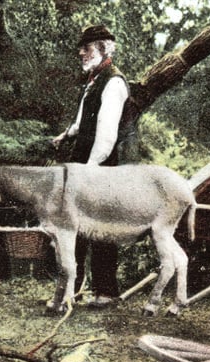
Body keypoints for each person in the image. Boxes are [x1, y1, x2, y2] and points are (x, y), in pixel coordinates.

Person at [52, 24, 131, 306]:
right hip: (83, 163)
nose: (81, 53)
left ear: (102, 48)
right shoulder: (94, 79)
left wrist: (91, 168)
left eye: (86, 48)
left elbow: (107, 134)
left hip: (100, 166)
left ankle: (106, 292)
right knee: (76, 226)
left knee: (100, 229)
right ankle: (73, 288)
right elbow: (83, 119)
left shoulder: (113, 82)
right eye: (81, 48)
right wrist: (66, 134)